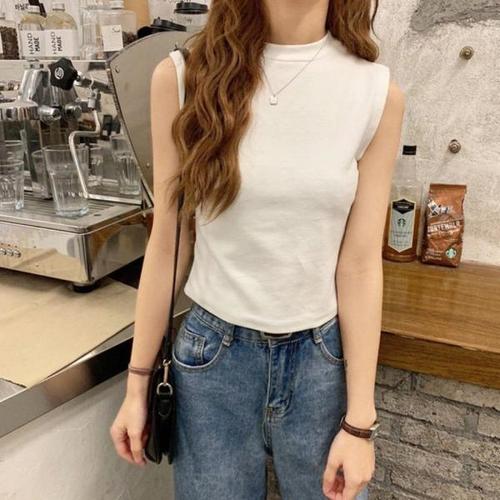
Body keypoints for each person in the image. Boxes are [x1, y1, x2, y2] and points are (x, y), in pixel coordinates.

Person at [110, 0, 405, 499]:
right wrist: (137, 383)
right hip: (212, 364)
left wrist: (360, 422)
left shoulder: (376, 93)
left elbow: (358, 265)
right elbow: (169, 241)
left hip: (321, 366)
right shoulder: (182, 77)